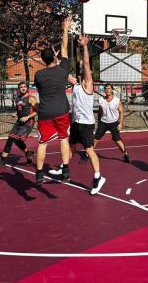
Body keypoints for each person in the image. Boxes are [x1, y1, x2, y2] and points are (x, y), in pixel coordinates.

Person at [50, 34, 106, 195]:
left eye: (84, 71)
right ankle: (63, 167)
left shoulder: (88, 85)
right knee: (71, 147)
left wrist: (84, 46)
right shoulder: (76, 85)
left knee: (89, 151)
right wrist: (56, 59)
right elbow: (63, 71)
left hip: (86, 125)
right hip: (76, 123)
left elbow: (87, 63)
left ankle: (98, 178)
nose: (82, 72)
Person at [33, 17, 72, 185]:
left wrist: (53, 61)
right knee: (63, 139)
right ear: (55, 58)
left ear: (43, 60)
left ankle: (40, 173)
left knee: (43, 142)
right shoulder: (62, 70)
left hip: (45, 112)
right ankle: (65, 169)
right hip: (61, 111)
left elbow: (41, 88)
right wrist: (65, 28)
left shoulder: (39, 75)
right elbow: (64, 49)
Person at [0, 82, 38, 168]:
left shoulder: (31, 98)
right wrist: (15, 114)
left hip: (28, 123)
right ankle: (4, 162)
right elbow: (18, 110)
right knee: (11, 139)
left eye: (24, 87)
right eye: (21, 87)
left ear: (27, 88)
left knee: (17, 139)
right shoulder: (17, 99)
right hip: (19, 122)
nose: (23, 88)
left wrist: (27, 117)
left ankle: (27, 155)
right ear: (18, 89)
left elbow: (37, 110)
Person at [93, 83, 130, 163]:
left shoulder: (117, 100)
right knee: (95, 139)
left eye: (109, 88)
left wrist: (120, 123)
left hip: (114, 123)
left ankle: (125, 154)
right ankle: (89, 154)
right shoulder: (101, 100)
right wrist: (99, 121)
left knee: (117, 141)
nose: (107, 90)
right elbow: (100, 111)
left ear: (112, 90)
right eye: (106, 88)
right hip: (103, 123)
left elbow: (121, 112)